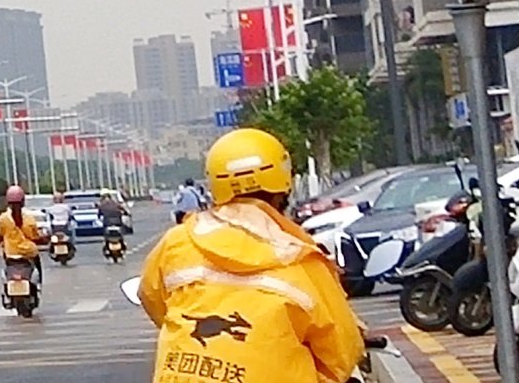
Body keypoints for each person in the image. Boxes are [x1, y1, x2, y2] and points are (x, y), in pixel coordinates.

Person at [139, 129, 364, 383]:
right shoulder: (303, 260)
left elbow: (152, 297)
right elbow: (341, 354)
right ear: (284, 184)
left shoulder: (178, 241)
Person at [0, 184, 46, 289]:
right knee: (37, 263)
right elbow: (35, 237)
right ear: (23, 201)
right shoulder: (29, 219)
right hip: (28, 253)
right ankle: (38, 285)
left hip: (10, 254)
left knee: (7, 269)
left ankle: (7, 287)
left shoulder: (3, 218)